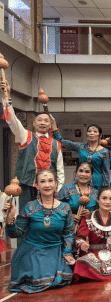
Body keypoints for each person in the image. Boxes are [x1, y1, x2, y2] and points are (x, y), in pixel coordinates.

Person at [4, 169, 75, 293]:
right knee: (39, 280)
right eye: (42, 181)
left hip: (56, 252)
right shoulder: (30, 207)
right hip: (32, 252)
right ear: (37, 185)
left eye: (50, 181)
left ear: (56, 184)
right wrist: (10, 216)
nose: (47, 185)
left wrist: (67, 252)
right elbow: (15, 233)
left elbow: (69, 233)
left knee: (63, 279)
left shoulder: (65, 207)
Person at [1, 81, 64, 209]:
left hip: (47, 188)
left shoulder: (56, 144)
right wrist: (6, 97)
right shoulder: (26, 136)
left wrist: (57, 189)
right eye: (39, 120)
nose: (43, 123)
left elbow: (60, 170)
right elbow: (12, 121)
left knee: (45, 216)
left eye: (46, 121)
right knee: (25, 214)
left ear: (50, 125)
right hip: (26, 186)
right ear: (34, 123)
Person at [51, 119, 110, 189]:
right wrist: (55, 130)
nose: (92, 133)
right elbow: (62, 142)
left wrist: (106, 186)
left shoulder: (104, 151)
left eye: (95, 131)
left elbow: (106, 171)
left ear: (100, 135)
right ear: (87, 134)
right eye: (89, 131)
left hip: (97, 183)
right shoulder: (81, 147)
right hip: (81, 179)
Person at [57, 162, 98, 226]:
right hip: (69, 227)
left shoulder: (96, 193)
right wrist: (69, 216)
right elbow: (57, 209)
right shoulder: (66, 189)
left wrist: (90, 215)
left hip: (89, 227)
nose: (83, 174)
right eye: (81, 171)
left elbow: (100, 213)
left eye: (87, 172)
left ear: (91, 175)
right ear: (76, 173)